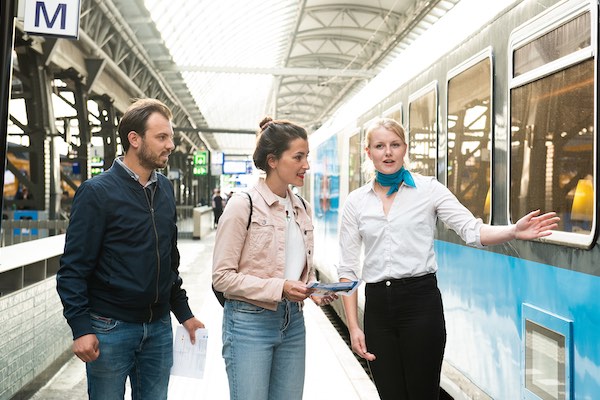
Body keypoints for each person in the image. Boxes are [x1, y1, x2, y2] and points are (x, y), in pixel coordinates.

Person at [337, 118, 559, 400]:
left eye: (394, 145)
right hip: (378, 310)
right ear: (369, 152)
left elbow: (472, 231)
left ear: (405, 148)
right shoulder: (356, 202)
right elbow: (347, 269)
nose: (388, 152)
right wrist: (355, 326)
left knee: (423, 395)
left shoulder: (429, 190)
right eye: (380, 146)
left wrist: (514, 230)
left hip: (420, 304)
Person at [56, 98, 205, 400]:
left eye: (171, 137)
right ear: (134, 140)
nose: (170, 145)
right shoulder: (97, 192)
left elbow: (169, 263)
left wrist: (184, 313)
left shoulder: (164, 190)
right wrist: (81, 328)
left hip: (160, 328)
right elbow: (73, 269)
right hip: (111, 328)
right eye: (161, 137)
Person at [212, 116, 336, 400]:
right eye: (298, 157)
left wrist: (313, 288)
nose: (306, 165)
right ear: (273, 160)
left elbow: (299, 267)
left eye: (307, 157)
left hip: (293, 321)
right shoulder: (243, 205)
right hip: (248, 323)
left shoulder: (301, 207)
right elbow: (222, 277)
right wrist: (280, 287)